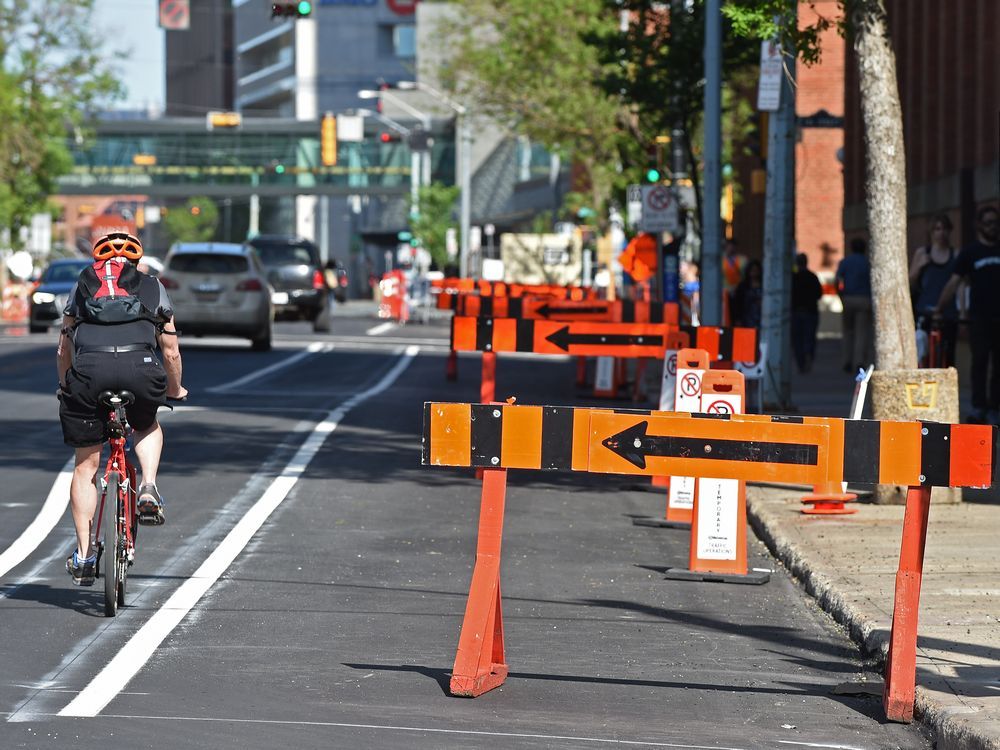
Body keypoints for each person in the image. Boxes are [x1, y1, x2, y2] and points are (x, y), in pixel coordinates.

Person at [58, 233, 187, 586]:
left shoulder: (81, 286)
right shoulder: (153, 288)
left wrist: (66, 384)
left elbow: (63, 347)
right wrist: (174, 390)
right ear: (137, 261)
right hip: (141, 368)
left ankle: (85, 556)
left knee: (86, 466)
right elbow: (171, 350)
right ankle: (147, 486)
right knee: (146, 423)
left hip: (89, 374)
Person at [934, 205, 1000, 424]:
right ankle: (979, 407)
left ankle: (995, 408)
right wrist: (940, 308)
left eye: (995, 222)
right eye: (988, 222)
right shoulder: (970, 253)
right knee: (979, 362)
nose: (992, 226)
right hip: (979, 318)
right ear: (979, 225)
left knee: (998, 366)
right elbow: (954, 283)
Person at [910, 214, 959, 366]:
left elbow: (961, 285)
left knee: (948, 353)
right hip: (925, 309)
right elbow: (910, 281)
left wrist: (963, 310)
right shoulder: (923, 253)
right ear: (931, 232)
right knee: (923, 351)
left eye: (944, 229)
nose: (941, 233)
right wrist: (919, 267)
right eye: (937, 229)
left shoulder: (955, 254)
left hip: (948, 311)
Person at [836, 238, 873, 373]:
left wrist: (841, 294)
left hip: (849, 298)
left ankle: (847, 360)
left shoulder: (845, 262)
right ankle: (859, 361)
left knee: (847, 331)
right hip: (864, 299)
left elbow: (838, 279)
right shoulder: (867, 263)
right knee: (861, 332)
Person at [791, 253, 823, 373]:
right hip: (810, 311)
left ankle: (801, 362)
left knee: (797, 339)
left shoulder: (794, 278)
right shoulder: (812, 277)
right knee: (809, 337)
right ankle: (808, 355)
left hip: (797, 311)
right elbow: (819, 294)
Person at [732, 259, 763, 329]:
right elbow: (737, 303)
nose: (754, 272)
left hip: (761, 317)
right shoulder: (743, 286)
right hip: (746, 318)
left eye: (756, 270)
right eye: (752, 270)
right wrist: (737, 318)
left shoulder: (764, 285)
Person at [722, 238, 748, 323]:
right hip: (725, 292)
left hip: (739, 291)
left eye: (733, 246)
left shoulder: (743, 260)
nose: (731, 248)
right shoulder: (720, 260)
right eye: (729, 246)